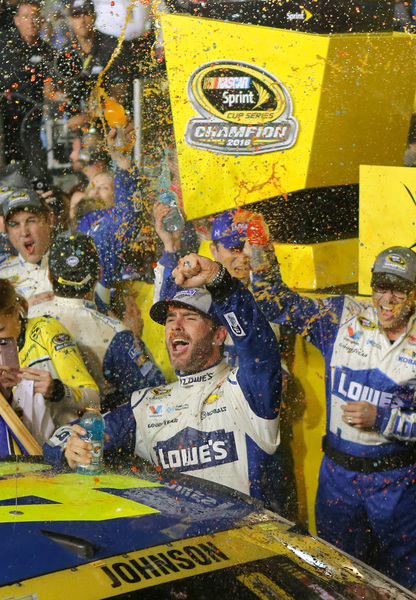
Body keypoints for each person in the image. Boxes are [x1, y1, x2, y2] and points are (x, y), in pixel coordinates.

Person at [44, 253, 282, 503]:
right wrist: (70, 450)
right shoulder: (146, 405)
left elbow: (259, 346)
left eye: (189, 317)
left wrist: (219, 280)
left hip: (245, 527)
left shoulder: (245, 390)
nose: (175, 326)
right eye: (170, 319)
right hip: (176, 528)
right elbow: (57, 440)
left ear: (219, 334)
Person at [251, 244, 416, 590]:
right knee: (335, 577)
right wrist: (260, 250)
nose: (387, 299)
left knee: (400, 583)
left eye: (399, 290)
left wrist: (384, 419)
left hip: (398, 483)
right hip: (338, 478)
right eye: (380, 286)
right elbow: (275, 302)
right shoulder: (343, 315)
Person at [153, 205, 299, 519]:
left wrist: (282, 376)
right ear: (214, 250)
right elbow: (165, 308)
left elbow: (275, 357)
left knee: (274, 525)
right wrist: (170, 247)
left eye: (249, 245)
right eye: (234, 247)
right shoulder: (197, 295)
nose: (243, 255)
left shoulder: (269, 294)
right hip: (206, 432)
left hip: (258, 434)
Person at [29, 230, 165, 410]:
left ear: (50, 277)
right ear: (100, 273)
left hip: (33, 423)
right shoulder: (115, 333)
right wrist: (132, 338)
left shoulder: (28, 315)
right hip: (91, 424)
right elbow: (156, 394)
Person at [0, 278, 99, 451]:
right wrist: (6, 397)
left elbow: (94, 400)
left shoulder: (46, 331)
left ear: (16, 311)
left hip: (63, 449)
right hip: (17, 454)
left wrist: (58, 391)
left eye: (1, 330)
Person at [0, 0, 54, 178]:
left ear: (42, 19)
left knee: (37, 172)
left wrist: (52, 97)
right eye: (25, 16)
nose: (31, 21)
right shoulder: (4, 45)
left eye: (34, 16)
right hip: (4, 121)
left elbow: (51, 85)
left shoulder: (47, 52)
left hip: (31, 122)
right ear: (16, 20)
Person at [0, 189, 54, 306]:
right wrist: (23, 309)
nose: (24, 232)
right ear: (6, 230)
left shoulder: (72, 266)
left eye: (31, 221)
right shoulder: (2, 278)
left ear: (49, 221)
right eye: (14, 224)